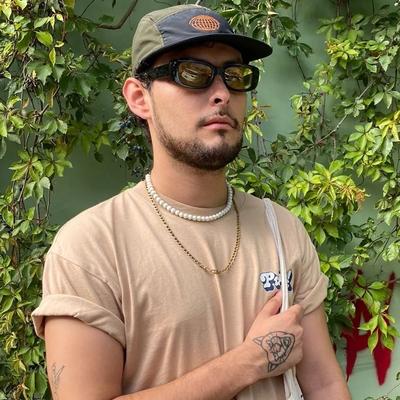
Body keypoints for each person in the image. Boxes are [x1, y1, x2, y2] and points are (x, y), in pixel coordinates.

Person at [32, 4, 351, 400]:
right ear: (139, 97)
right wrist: (248, 362)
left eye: (235, 76)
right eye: (193, 73)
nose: (222, 94)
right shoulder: (91, 247)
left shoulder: (281, 228)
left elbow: (325, 385)